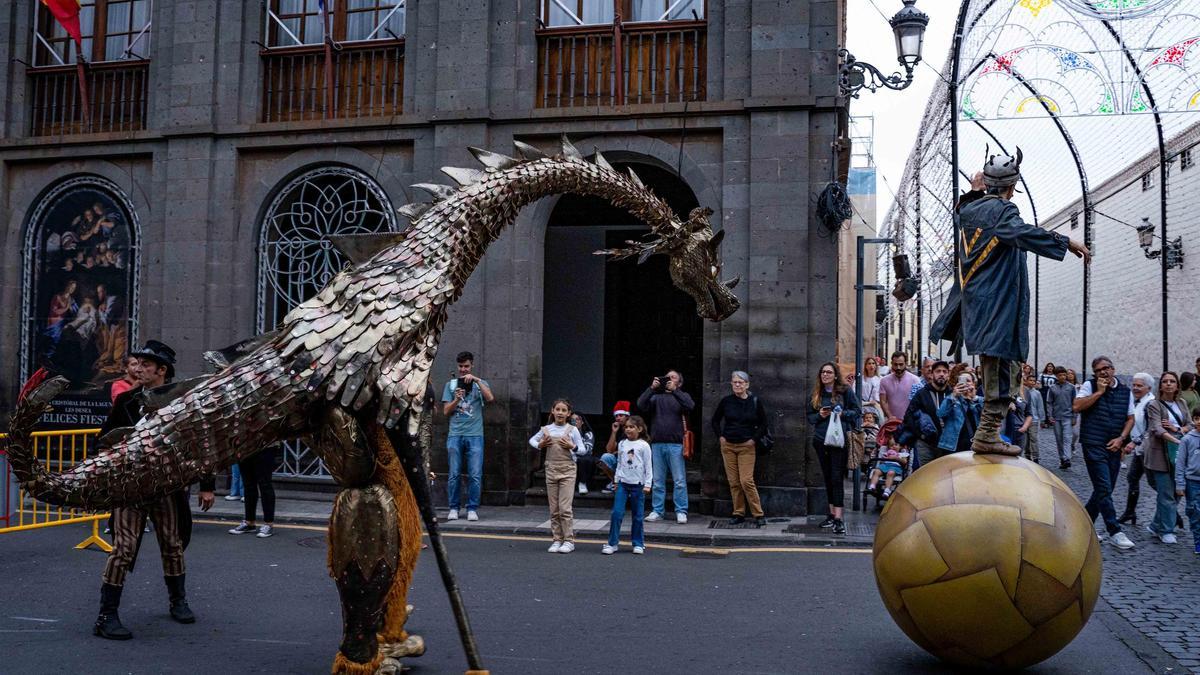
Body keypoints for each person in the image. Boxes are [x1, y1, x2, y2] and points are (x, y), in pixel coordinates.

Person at [930, 154, 1091, 457]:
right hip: (999, 307)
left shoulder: (969, 210)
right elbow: (1023, 233)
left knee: (998, 369)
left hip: (981, 306)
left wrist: (977, 191)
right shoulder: (1003, 212)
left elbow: (966, 207)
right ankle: (987, 434)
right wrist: (1065, 242)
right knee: (1004, 372)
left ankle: (986, 433)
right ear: (1014, 185)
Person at [94, 340, 216, 640]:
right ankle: (106, 615)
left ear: (162, 370)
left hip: (167, 487)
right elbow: (102, 440)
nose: (138, 368)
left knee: (172, 544)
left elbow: (201, 444)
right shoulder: (126, 402)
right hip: (131, 487)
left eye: (146, 364)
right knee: (123, 549)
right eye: (137, 363)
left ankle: (178, 601)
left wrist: (207, 486)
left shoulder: (182, 404)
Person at [1074, 356, 1136, 550]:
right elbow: (1077, 406)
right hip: (1093, 443)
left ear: (1113, 369)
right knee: (1103, 486)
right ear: (1095, 373)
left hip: (1114, 445)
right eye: (1099, 370)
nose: (1104, 372)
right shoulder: (1089, 386)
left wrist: (1121, 438)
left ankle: (1083, 526)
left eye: (1107, 368)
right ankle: (1114, 530)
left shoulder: (1126, 391)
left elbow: (1130, 418)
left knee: (1105, 489)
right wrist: (1099, 392)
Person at [806, 362, 861, 535]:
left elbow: (857, 411)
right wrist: (820, 415)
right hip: (821, 440)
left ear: (835, 375)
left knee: (837, 478)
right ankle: (831, 515)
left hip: (839, 441)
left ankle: (838, 518)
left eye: (829, 372)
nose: (825, 375)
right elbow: (810, 417)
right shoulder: (817, 393)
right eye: (823, 372)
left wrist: (842, 413)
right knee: (828, 478)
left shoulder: (845, 391)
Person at [710, 370, 769, 527]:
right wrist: (720, 437)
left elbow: (764, 424)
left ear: (747, 384)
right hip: (728, 446)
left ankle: (758, 514)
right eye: (734, 382)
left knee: (746, 481)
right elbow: (715, 420)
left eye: (740, 382)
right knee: (734, 482)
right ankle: (738, 513)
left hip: (746, 447)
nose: (737, 385)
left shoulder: (754, 401)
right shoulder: (726, 401)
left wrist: (753, 440)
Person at [441, 351, 494, 522]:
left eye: (466, 366)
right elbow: (445, 411)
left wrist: (477, 380)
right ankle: (454, 508)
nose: (463, 369)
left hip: (475, 435)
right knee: (454, 473)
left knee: (475, 473)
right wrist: (457, 399)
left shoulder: (480, 384)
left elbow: (490, 398)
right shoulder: (450, 385)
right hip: (455, 434)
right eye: (461, 366)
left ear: (472, 366)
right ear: (457, 367)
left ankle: (472, 508)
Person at [637, 371, 694, 524]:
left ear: (679, 383)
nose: (669, 379)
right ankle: (657, 510)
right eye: (667, 377)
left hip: (676, 444)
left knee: (679, 480)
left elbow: (690, 405)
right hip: (657, 443)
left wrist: (675, 391)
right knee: (658, 480)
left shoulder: (682, 396)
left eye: (673, 377)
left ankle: (681, 510)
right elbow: (641, 405)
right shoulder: (656, 397)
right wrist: (651, 388)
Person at [529, 399, 584, 554]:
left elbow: (583, 450)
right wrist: (539, 445)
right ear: (552, 411)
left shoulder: (572, 430)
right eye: (557, 409)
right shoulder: (546, 429)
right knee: (554, 509)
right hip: (551, 470)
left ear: (568, 414)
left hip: (568, 470)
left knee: (565, 508)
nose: (560, 412)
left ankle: (569, 540)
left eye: (563, 410)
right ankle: (556, 539)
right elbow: (532, 440)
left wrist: (572, 446)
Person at [1142, 372, 1191, 544]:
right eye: (1165, 382)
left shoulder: (1182, 403)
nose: (1169, 384)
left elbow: (1191, 424)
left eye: (1172, 381)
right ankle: (1166, 530)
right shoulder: (1154, 405)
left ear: (1177, 385)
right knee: (1166, 494)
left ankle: (1155, 525)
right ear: (1160, 385)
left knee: (1178, 492)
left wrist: (1177, 429)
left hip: (1179, 455)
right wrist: (1178, 439)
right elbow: (1157, 429)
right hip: (1159, 455)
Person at [603, 415, 653, 555]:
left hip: (638, 484)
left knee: (637, 515)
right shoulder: (622, 443)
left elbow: (648, 466)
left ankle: (638, 543)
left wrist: (648, 484)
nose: (628, 429)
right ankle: (612, 543)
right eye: (626, 427)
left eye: (632, 427)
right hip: (623, 484)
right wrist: (616, 480)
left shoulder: (644, 445)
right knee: (617, 513)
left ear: (640, 429)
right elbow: (619, 464)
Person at [1115, 373, 1156, 527]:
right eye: (1134, 385)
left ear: (1149, 388)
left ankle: (1172, 511)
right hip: (1140, 450)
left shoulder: (1150, 404)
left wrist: (1134, 442)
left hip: (1149, 449)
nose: (1135, 388)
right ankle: (1130, 512)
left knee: (1155, 483)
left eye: (1140, 386)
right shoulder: (1136, 401)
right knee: (1132, 478)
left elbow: (1151, 428)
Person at [902, 360, 950, 468]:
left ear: (948, 375)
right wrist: (920, 435)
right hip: (926, 444)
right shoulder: (921, 394)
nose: (941, 374)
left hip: (947, 444)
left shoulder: (952, 394)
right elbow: (909, 416)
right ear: (932, 374)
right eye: (938, 371)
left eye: (944, 371)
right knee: (926, 474)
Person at [227, 445, 279, 538]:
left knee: (265, 484)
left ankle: (269, 524)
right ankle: (249, 522)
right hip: (245, 446)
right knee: (248, 485)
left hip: (265, 445)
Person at [937, 371, 982, 455]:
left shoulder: (979, 400)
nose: (965, 384)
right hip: (953, 447)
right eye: (961, 381)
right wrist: (953, 396)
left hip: (974, 446)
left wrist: (973, 398)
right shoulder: (952, 399)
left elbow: (988, 414)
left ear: (974, 383)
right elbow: (940, 414)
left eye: (968, 381)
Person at [1174, 408, 1200, 555]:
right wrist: (1180, 483)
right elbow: (1180, 463)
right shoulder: (1187, 439)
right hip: (1192, 482)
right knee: (1195, 511)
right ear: (1194, 420)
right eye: (1197, 418)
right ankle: (1198, 540)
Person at [1046, 367, 1077, 469]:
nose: (1063, 377)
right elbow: (1049, 403)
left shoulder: (1071, 388)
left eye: (1064, 375)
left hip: (1068, 416)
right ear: (1056, 376)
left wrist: (1074, 416)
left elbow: (1075, 403)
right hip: (1056, 417)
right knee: (1059, 439)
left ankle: (1067, 457)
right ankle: (1062, 458)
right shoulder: (1052, 388)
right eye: (1060, 375)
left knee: (1067, 438)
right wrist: (1050, 416)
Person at [598, 401, 632, 493]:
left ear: (627, 416)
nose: (618, 418)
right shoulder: (618, 429)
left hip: (631, 461)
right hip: (619, 461)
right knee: (605, 458)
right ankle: (615, 482)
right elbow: (609, 450)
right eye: (616, 416)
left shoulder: (633, 428)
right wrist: (614, 432)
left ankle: (627, 485)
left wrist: (618, 452)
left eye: (621, 415)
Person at [879, 352, 920, 422]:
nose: (898, 367)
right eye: (896, 364)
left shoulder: (915, 380)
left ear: (906, 363)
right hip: (891, 422)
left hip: (911, 422)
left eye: (901, 364)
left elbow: (919, 402)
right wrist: (890, 416)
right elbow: (883, 401)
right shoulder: (884, 380)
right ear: (891, 363)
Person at [570, 412, 595, 494]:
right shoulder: (567, 433)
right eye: (573, 419)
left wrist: (574, 449)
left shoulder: (588, 434)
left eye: (577, 419)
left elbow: (587, 450)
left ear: (582, 422)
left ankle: (582, 483)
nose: (575, 421)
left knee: (586, 459)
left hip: (583, 460)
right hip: (569, 458)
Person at [1021, 373, 1044, 463]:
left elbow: (1040, 406)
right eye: (1030, 380)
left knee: (1033, 438)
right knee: (1026, 439)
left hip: (1034, 419)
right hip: (1024, 419)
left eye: (1034, 381)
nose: (1032, 382)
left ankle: (1035, 456)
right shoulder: (1023, 392)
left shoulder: (1037, 393)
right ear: (1026, 381)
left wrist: (1042, 419)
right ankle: (1027, 455)